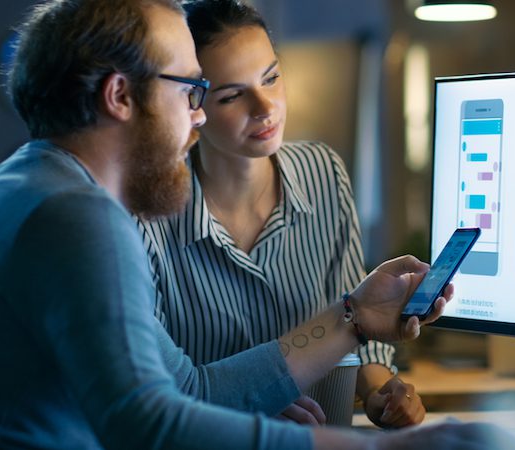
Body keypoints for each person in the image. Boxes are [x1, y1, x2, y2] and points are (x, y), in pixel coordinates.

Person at [0, 0, 513, 448]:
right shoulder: (75, 217)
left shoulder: (32, 187)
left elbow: (190, 391)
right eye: (192, 91)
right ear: (120, 95)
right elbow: (152, 428)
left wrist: (356, 316)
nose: (197, 116)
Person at [137, 0, 422, 428]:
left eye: (271, 78)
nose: (265, 107)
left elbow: (356, 327)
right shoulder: (149, 214)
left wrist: (381, 391)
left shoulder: (323, 172)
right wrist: (241, 405)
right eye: (233, 95)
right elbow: (153, 389)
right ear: (191, 103)